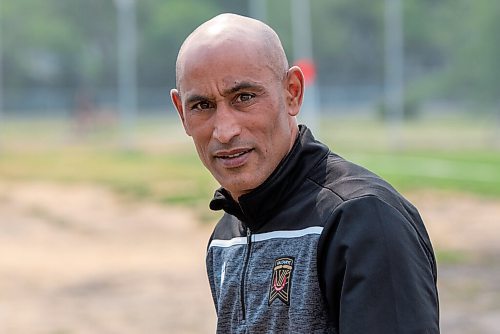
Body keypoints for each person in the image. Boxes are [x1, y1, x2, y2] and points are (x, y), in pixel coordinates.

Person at [170, 13, 439, 334]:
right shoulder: (227, 235)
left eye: (244, 97)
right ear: (181, 113)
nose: (225, 131)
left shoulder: (362, 220)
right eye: (202, 105)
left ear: (292, 92)